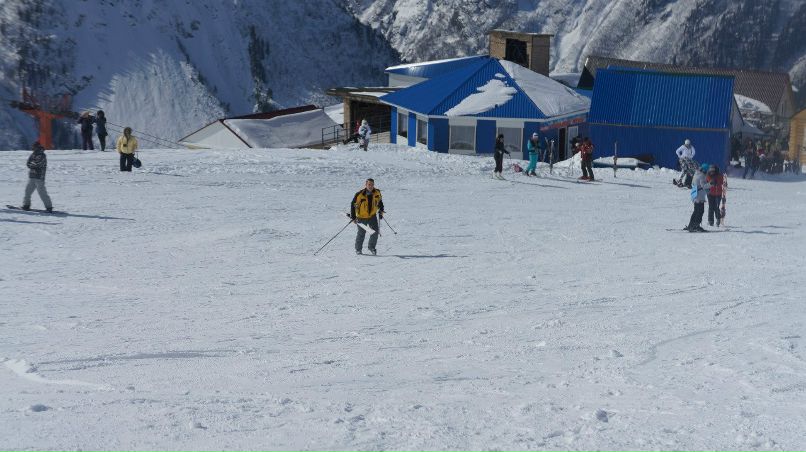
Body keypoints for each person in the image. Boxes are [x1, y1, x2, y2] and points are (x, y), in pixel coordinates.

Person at [350, 178, 384, 255]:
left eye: (372, 184)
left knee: (375, 232)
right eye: (369, 184)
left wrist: (381, 211)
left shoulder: (377, 192)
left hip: (372, 216)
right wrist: (353, 217)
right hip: (361, 217)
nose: (371, 186)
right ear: (366, 185)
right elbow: (353, 205)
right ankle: (358, 249)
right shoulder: (359, 194)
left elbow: (380, 202)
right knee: (361, 233)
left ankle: (371, 247)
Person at [21, 141, 53, 212]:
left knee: (42, 193)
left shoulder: (42, 155)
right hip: (32, 176)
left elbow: (38, 164)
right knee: (27, 191)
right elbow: (28, 164)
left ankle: (49, 207)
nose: (32, 148)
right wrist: (33, 164)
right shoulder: (33, 154)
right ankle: (26, 205)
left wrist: (32, 164)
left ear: (37, 147)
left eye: (34, 147)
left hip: (39, 177)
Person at [685, 163, 710, 232]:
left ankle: (691, 225)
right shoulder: (702, 175)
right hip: (699, 196)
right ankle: (696, 226)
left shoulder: (697, 173)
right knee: (700, 211)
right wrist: (711, 184)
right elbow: (704, 186)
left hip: (695, 195)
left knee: (696, 211)